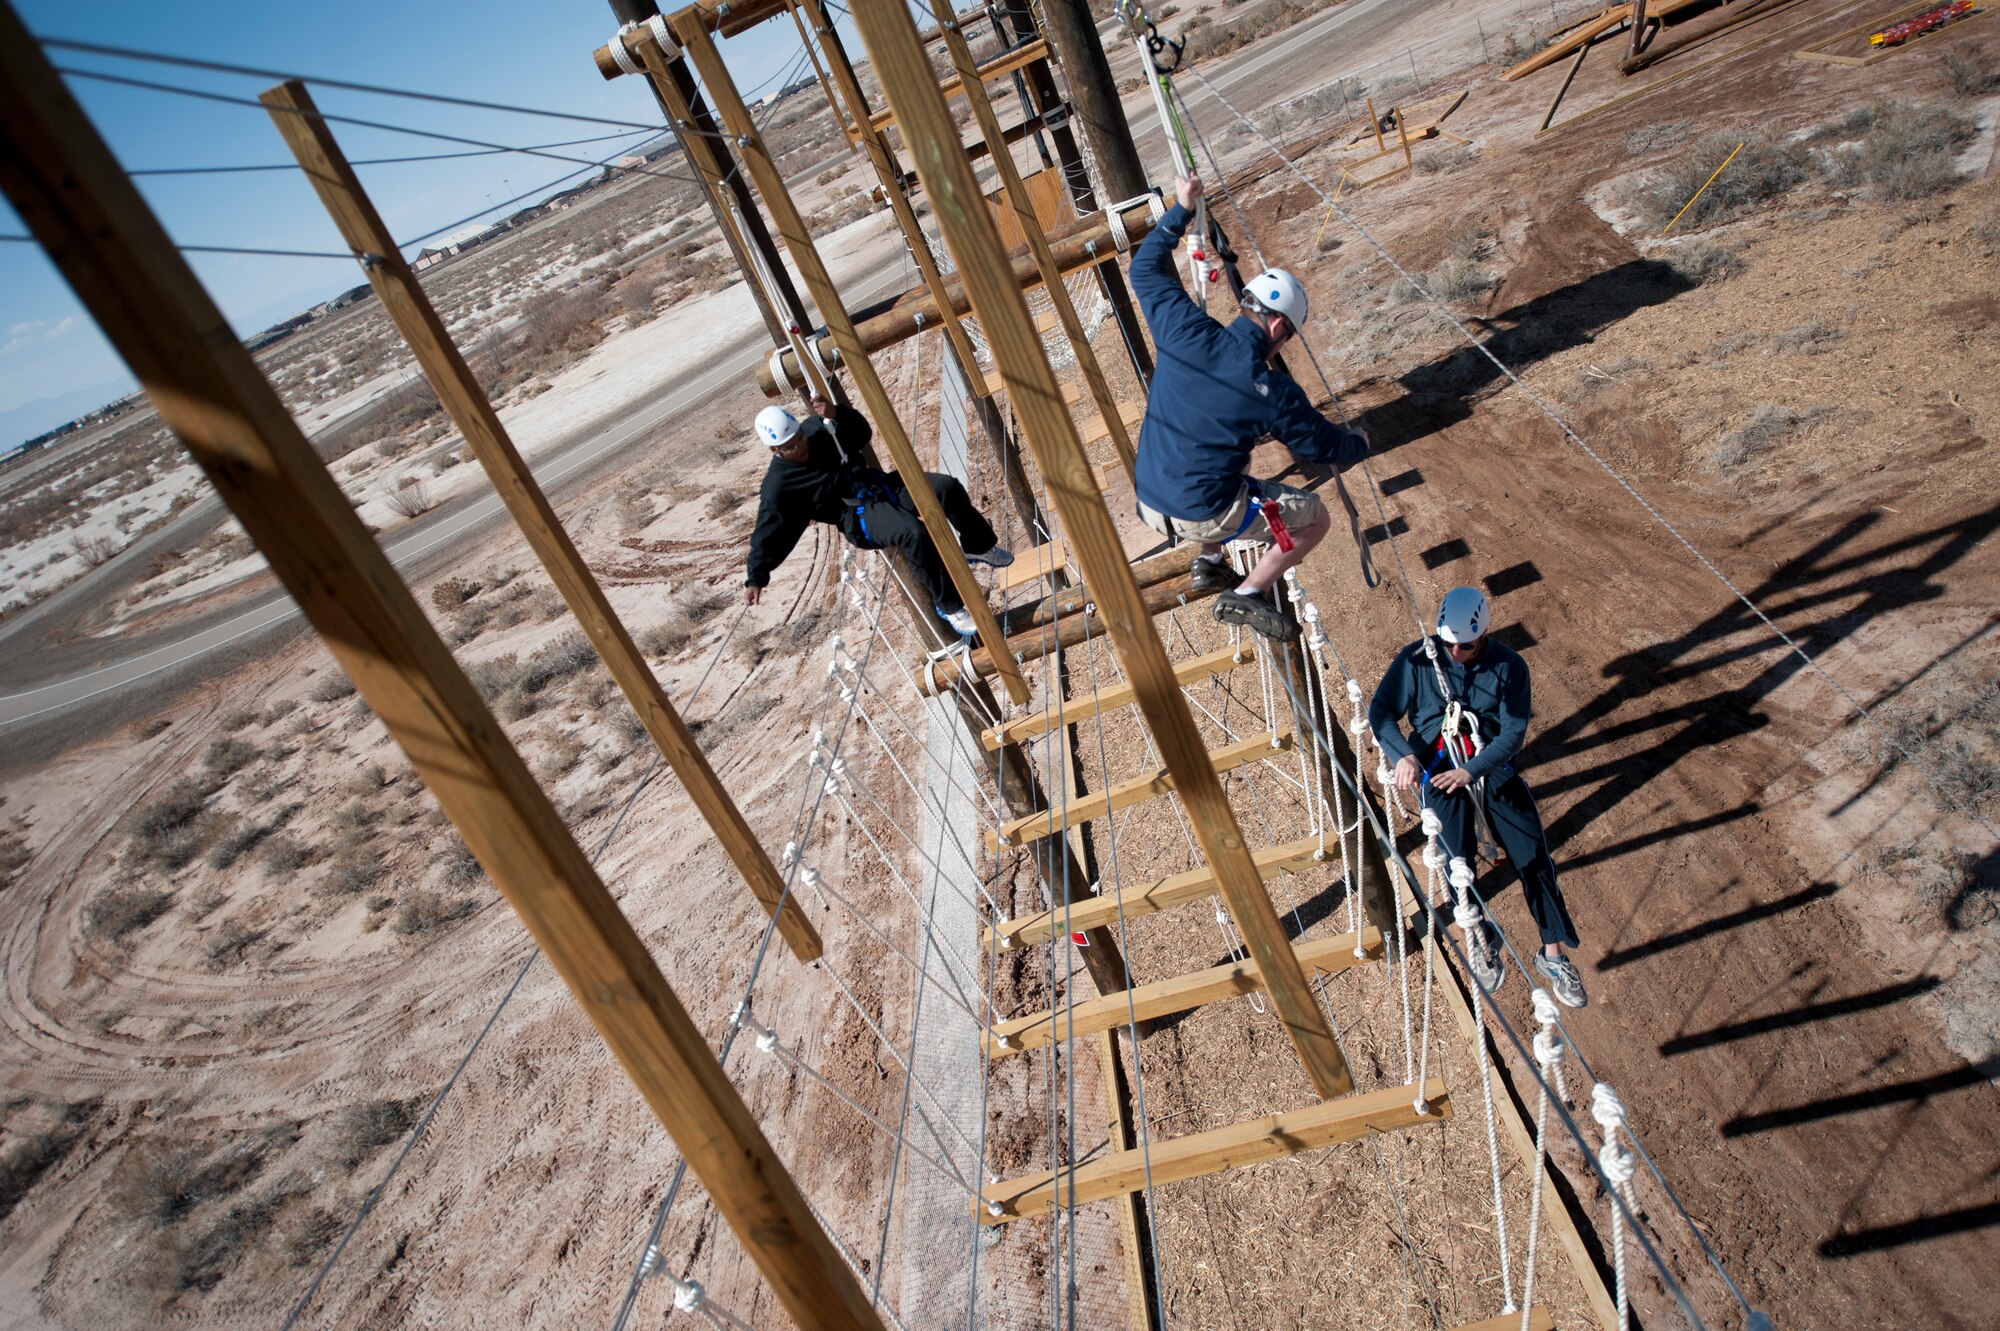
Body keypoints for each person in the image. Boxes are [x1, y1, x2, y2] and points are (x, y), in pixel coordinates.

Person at [1128, 172, 1372, 642]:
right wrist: (1358, 444)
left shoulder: (1185, 330)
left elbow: (1143, 270)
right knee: (1315, 517)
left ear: (1246, 304)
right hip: (1201, 513)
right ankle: (1247, 593)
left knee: (1224, 473)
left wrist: (1180, 210)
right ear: (1279, 328)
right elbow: (1324, 447)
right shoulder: (1272, 391)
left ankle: (1210, 560)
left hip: (1149, 500)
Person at [1368, 586, 1588, 1008]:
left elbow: (1513, 733)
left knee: (1533, 857)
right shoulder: (1418, 659)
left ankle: (1553, 953)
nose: (1454, 652)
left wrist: (1472, 769)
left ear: (1483, 637)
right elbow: (1382, 711)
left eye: (1464, 645)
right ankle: (1477, 932)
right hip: (1436, 770)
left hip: (1488, 767)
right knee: (1456, 860)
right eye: (1448, 643)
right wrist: (1404, 756)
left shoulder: (1509, 667)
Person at [743, 389, 1012, 636]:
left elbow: (862, 434)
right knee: (913, 533)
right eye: (790, 446)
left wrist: (837, 414)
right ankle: (950, 605)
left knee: (946, 488)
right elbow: (769, 531)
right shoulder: (778, 486)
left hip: (879, 484)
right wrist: (756, 577)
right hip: (856, 516)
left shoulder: (816, 430)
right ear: (774, 450)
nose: (800, 446)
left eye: (799, 437)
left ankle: (978, 546)